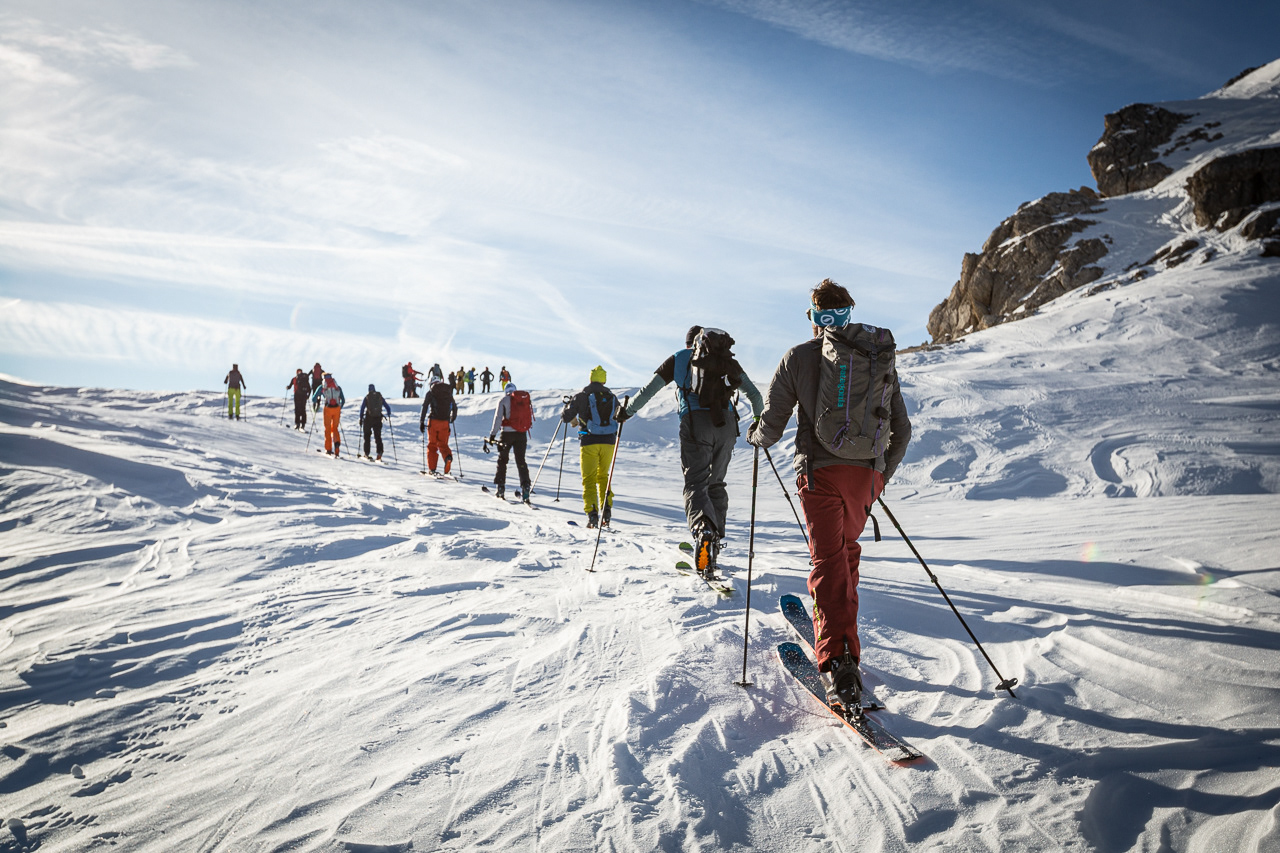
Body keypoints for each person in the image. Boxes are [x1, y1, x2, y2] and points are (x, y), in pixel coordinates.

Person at [746, 278, 912, 717]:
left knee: (828, 560)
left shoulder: (799, 357)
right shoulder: (876, 358)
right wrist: (879, 476)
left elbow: (772, 425)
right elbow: (902, 429)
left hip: (819, 474)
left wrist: (755, 436)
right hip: (866, 477)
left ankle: (839, 663)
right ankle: (844, 641)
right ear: (848, 313)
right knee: (844, 554)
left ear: (815, 317)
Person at [617, 325, 763, 574]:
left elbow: (648, 391)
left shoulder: (680, 358)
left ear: (690, 343)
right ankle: (714, 542)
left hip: (695, 424)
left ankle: (702, 530)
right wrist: (758, 422)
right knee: (716, 483)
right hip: (727, 427)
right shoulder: (724, 358)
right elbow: (755, 395)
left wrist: (626, 412)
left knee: (696, 482)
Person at [561, 366, 619, 528]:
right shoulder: (612, 397)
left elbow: (566, 417)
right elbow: (620, 416)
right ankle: (606, 510)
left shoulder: (582, 396)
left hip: (589, 442)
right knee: (603, 476)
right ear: (604, 380)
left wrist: (568, 408)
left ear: (591, 379)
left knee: (589, 479)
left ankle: (592, 514)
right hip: (609, 442)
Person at [488, 382, 534, 503]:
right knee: (521, 460)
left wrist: (493, 435)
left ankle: (500, 487)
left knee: (502, 460)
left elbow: (498, 418)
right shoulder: (523, 400)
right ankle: (525, 486)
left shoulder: (503, 400)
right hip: (521, 434)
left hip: (507, 434)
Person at [419, 376, 459, 475]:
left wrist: (421, 421)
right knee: (443, 444)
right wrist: (452, 418)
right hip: (445, 422)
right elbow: (454, 407)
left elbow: (425, 407)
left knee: (432, 445)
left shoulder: (431, 392)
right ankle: (447, 458)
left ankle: (432, 469)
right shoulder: (448, 392)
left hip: (433, 422)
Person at [311, 372, 346, 456]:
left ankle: (328, 449)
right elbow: (343, 400)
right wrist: (339, 407)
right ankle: (337, 444)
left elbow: (313, 399)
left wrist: (318, 399)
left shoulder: (322, 387)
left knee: (327, 429)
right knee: (335, 428)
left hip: (328, 408)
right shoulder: (337, 386)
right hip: (337, 409)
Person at [359, 383, 392, 460]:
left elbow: (362, 408)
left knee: (367, 436)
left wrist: (361, 418)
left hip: (368, 419)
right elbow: (387, 407)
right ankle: (379, 453)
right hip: (378, 418)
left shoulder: (367, 397)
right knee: (378, 436)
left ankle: (366, 453)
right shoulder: (379, 397)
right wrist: (388, 413)